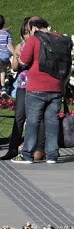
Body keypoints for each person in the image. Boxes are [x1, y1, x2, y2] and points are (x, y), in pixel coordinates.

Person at [12, 19, 65, 165]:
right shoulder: (60, 38)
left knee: (33, 121)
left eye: (29, 29)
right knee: (52, 121)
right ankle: (52, 155)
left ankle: (27, 154)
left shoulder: (35, 39)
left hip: (37, 86)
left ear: (34, 28)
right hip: (56, 86)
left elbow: (23, 60)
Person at [1, 17, 36, 161]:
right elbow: (15, 67)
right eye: (25, 33)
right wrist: (17, 56)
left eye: (29, 32)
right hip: (22, 84)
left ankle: (30, 148)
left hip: (35, 84)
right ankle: (13, 148)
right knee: (19, 116)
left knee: (33, 118)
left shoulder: (38, 45)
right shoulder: (19, 46)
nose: (27, 36)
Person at [0, 15, 12, 96]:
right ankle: (8, 76)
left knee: (1, 71)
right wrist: (14, 54)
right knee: (3, 70)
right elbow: (9, 46)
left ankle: (3, 88)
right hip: (5, 56)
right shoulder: (7, 34)